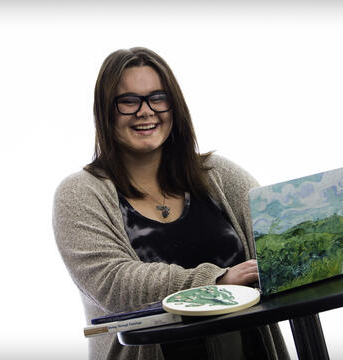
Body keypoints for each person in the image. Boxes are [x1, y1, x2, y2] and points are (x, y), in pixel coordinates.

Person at [52, 47, 288, 360]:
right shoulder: (80, 194)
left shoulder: (220, 175)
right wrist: (215, 281)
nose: (145, 111)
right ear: (105, 111)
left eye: (157, 98)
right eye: (128, 101)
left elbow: (278, 246)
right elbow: (115, 285)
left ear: (174, 106)